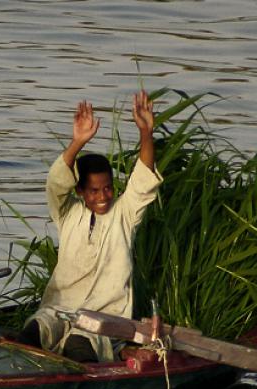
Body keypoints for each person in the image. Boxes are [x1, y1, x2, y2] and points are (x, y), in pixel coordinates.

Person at [19, 91, 162, 362]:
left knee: (79, 345)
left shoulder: (124, 214)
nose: (103, 196)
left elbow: (142, 180)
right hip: (59, 309)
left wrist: (146, 133)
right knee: (35, 331)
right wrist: (78, 142)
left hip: (104, 318)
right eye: (94, 190)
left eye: (108, 188)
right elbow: (55, 184)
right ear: (81, 191)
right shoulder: (67, 212)